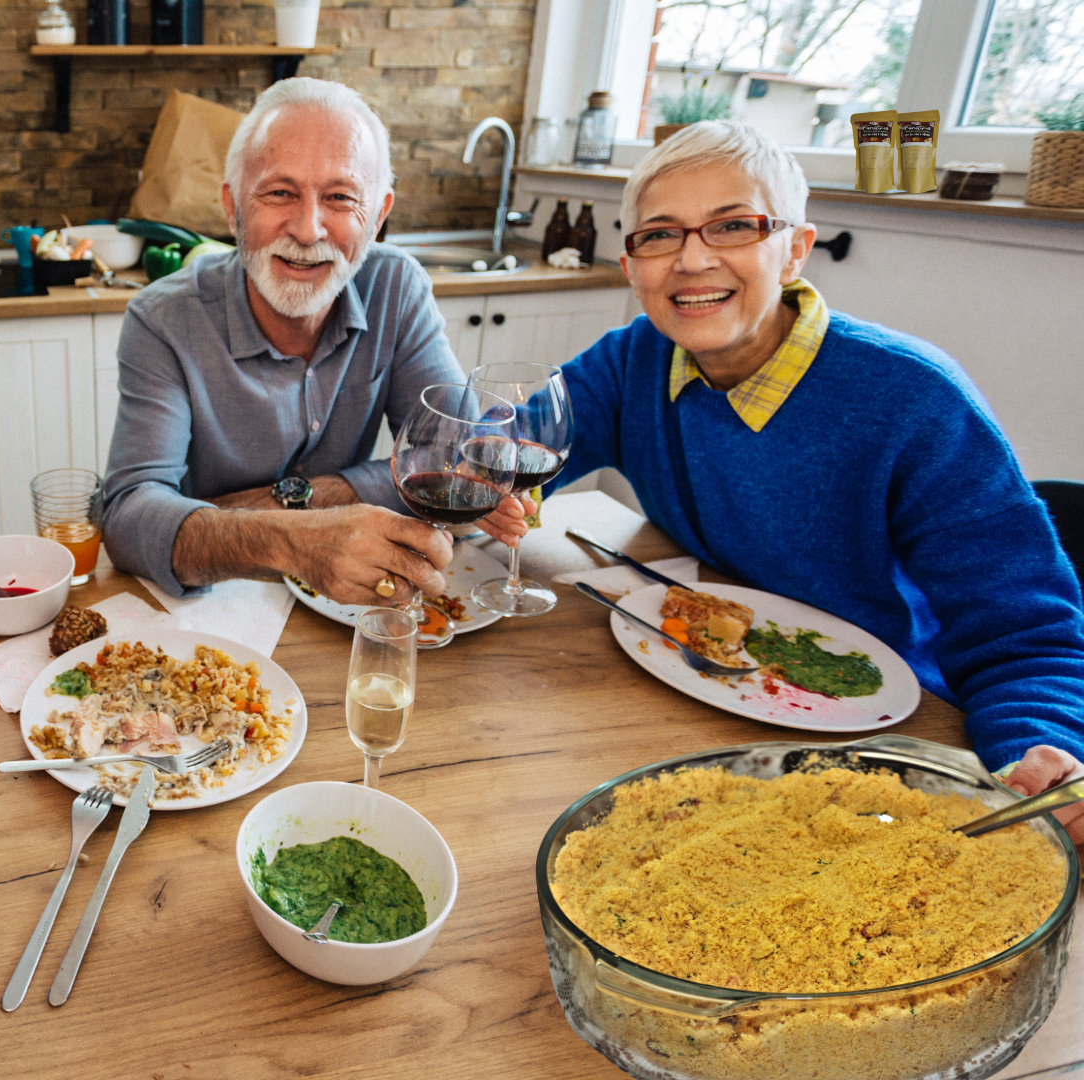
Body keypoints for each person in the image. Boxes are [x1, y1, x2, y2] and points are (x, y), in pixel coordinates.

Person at [549, 120, 1084, 841]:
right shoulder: (631, 361)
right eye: (660, 234)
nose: (692, 258)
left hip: (895, 734)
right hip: (705, 702)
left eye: (734, 226)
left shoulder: (913, 400)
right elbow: (507, 447)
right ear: (630, 264)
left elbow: (1026, 633)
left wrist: (1042, 752)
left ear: (795, 250)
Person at [100, 77, 528, 608]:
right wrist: (297, 540)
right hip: (212, 605)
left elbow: (454, 457)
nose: (307, 230)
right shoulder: (162, 318)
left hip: (355, 604)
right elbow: (126, 519)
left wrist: (282, 505)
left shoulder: (397, 286)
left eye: (340, 198)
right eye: (280, 193)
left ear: (376, 218)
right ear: (233, 208)